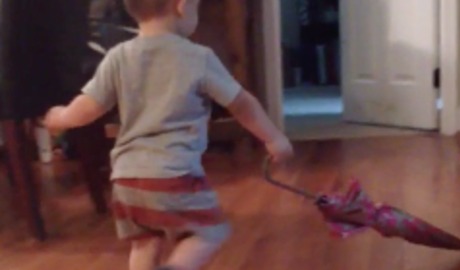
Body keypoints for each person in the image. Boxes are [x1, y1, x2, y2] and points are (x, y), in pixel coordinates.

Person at [43, 0, 294, 269]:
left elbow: (88, 107)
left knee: (145, 241)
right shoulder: (198, 58)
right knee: (209, 233)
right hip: (175, 176)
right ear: (182, 6)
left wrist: (60, 116)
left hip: (126, 180)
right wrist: (273, 138)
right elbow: (242, 104)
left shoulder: (118, 56)